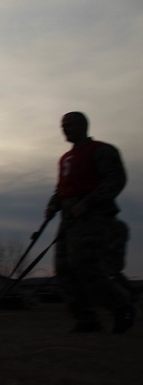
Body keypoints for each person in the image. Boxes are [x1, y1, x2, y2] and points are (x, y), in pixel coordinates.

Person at [45, 112, 135, 333]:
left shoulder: (102, 150)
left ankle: (122, 307)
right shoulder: (65, 158)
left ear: (83, 126)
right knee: (64, 268)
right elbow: (63, 187)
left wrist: (89, 202)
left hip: (93, 217)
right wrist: (53, 204)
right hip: (68, 217)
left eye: (70, 125)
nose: (65, 129)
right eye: (62, 125)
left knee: (86, 265)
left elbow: (115, 180)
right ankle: (86, 319)